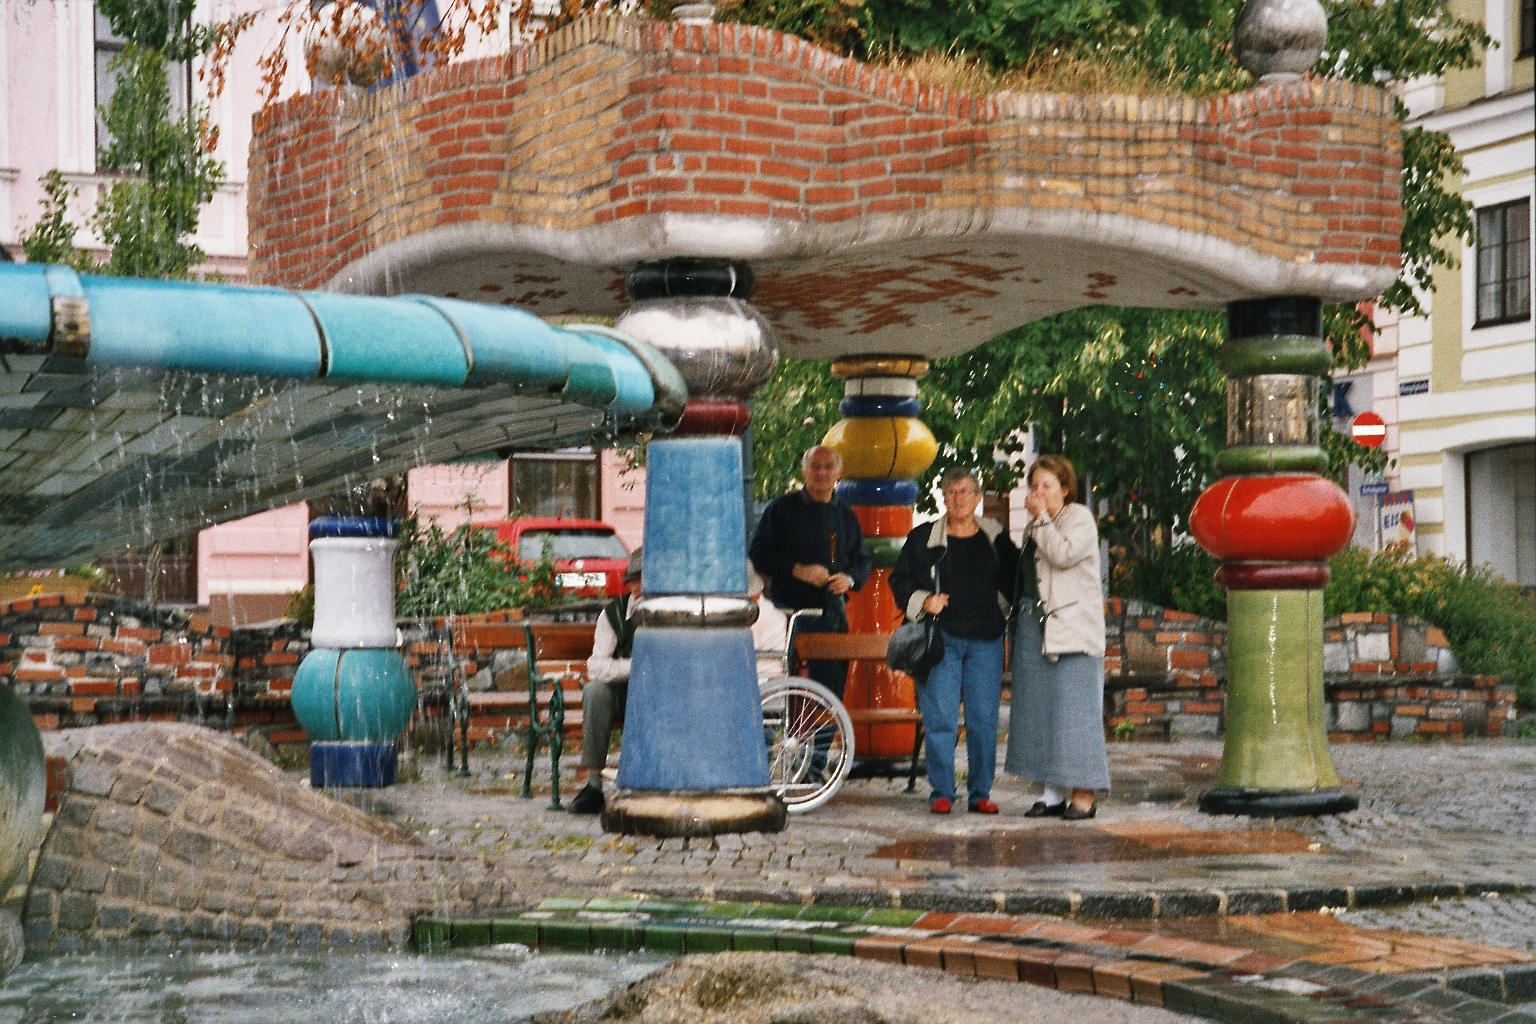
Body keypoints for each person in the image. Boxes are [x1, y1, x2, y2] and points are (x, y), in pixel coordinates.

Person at [890, 468, 1018, 815]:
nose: (957, 498)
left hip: (986, 640)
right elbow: (898, 581)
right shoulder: (923, 538)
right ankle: (942, 792)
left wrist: (1002, 612)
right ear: (943, 498)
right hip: (940, 639)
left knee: (983, 720)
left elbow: (1016, 580)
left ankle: (980, 793)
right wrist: (923, 601)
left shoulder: (996, 538)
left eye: (964, 491)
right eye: (950, 492)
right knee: (941, 718)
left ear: (978, 498)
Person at [1006, 454, 1110, 820]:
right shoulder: (1037, 524)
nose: (1039, 492)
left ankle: (1084, 794)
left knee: (1076, 715)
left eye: (1047, 485)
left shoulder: (1078, 518)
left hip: (1073, 631)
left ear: (1065, 489)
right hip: (1037, 628)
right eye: (1034, 486)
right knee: (1041, 712)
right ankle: (1051, 792)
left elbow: (1064, 555)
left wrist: (1043, 520)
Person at [748, 445, 870, 699]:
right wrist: (796, 570)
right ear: (804, 471)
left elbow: (862, 562)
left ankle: (824, 740)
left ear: (839, 473)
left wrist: (848, 579)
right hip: (791, 614)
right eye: (815, 466)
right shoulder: (781, 508)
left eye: (828, 467)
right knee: (791, 689)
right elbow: (758, 553)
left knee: (830, 692)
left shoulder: (847, 514)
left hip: (833, 616)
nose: (821, 473)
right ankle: (789, 739)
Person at [569, 547, 644, 815]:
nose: (638, 586)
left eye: (644, 579)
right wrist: (636, 667)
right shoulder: (614, 613)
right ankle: (593, 785)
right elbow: (596, 666)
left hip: (662, 695)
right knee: (595, 692)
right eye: (636, 579)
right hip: (624, 696)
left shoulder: (671, 609)